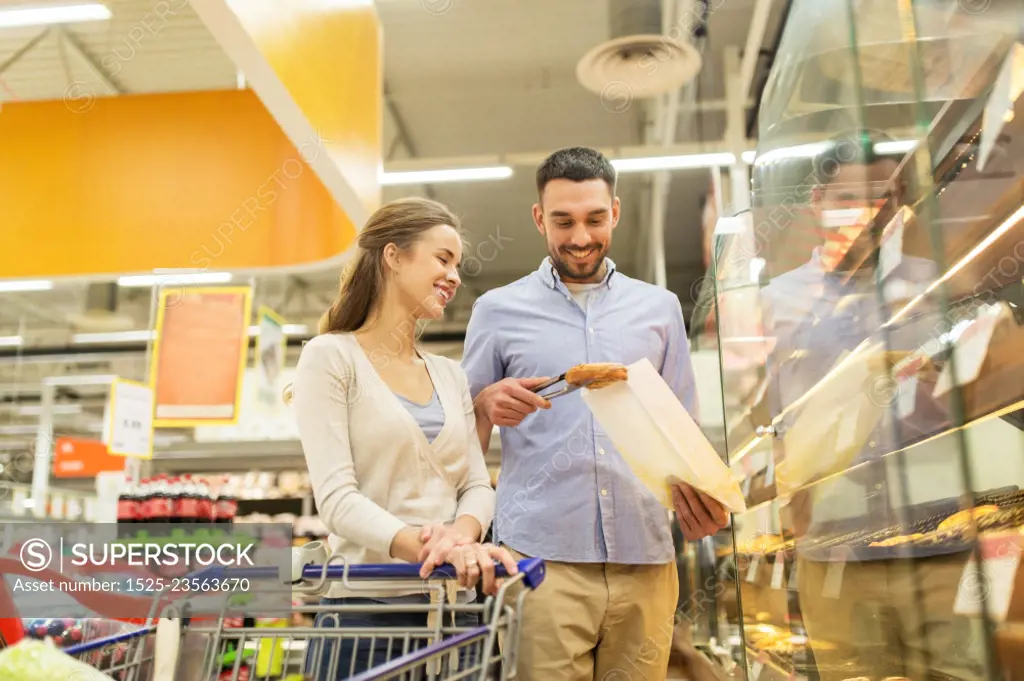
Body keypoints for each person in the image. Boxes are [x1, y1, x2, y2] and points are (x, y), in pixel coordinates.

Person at [461, 146, 730, 681]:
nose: (580, 237)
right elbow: (460, 437)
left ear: (616, 212)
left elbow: (682, 429)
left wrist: (707, 500)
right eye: (563, 221)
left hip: (646, 557)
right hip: (540, 562)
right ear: (540, 218)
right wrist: (484, 403)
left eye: (594, 218)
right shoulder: (496, 310)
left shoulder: (659, 308)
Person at [289, 197, 518, 680]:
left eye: (457, 264)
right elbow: (336, 500)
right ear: (393, 257)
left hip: (456, 616)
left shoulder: (449, 375)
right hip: (364, 614)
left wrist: (459, 538)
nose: (455, 276)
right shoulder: (331, 358)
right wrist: (430, 549)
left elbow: (477, 484)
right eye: (443, 259)